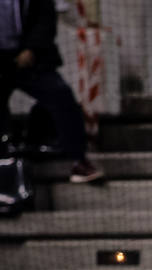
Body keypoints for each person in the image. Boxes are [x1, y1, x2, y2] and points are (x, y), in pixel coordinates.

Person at [0, 0, 102, 181]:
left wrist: (31, 49)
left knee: (62, 96)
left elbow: (45, 20)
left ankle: (79, 161)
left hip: (31, 61)